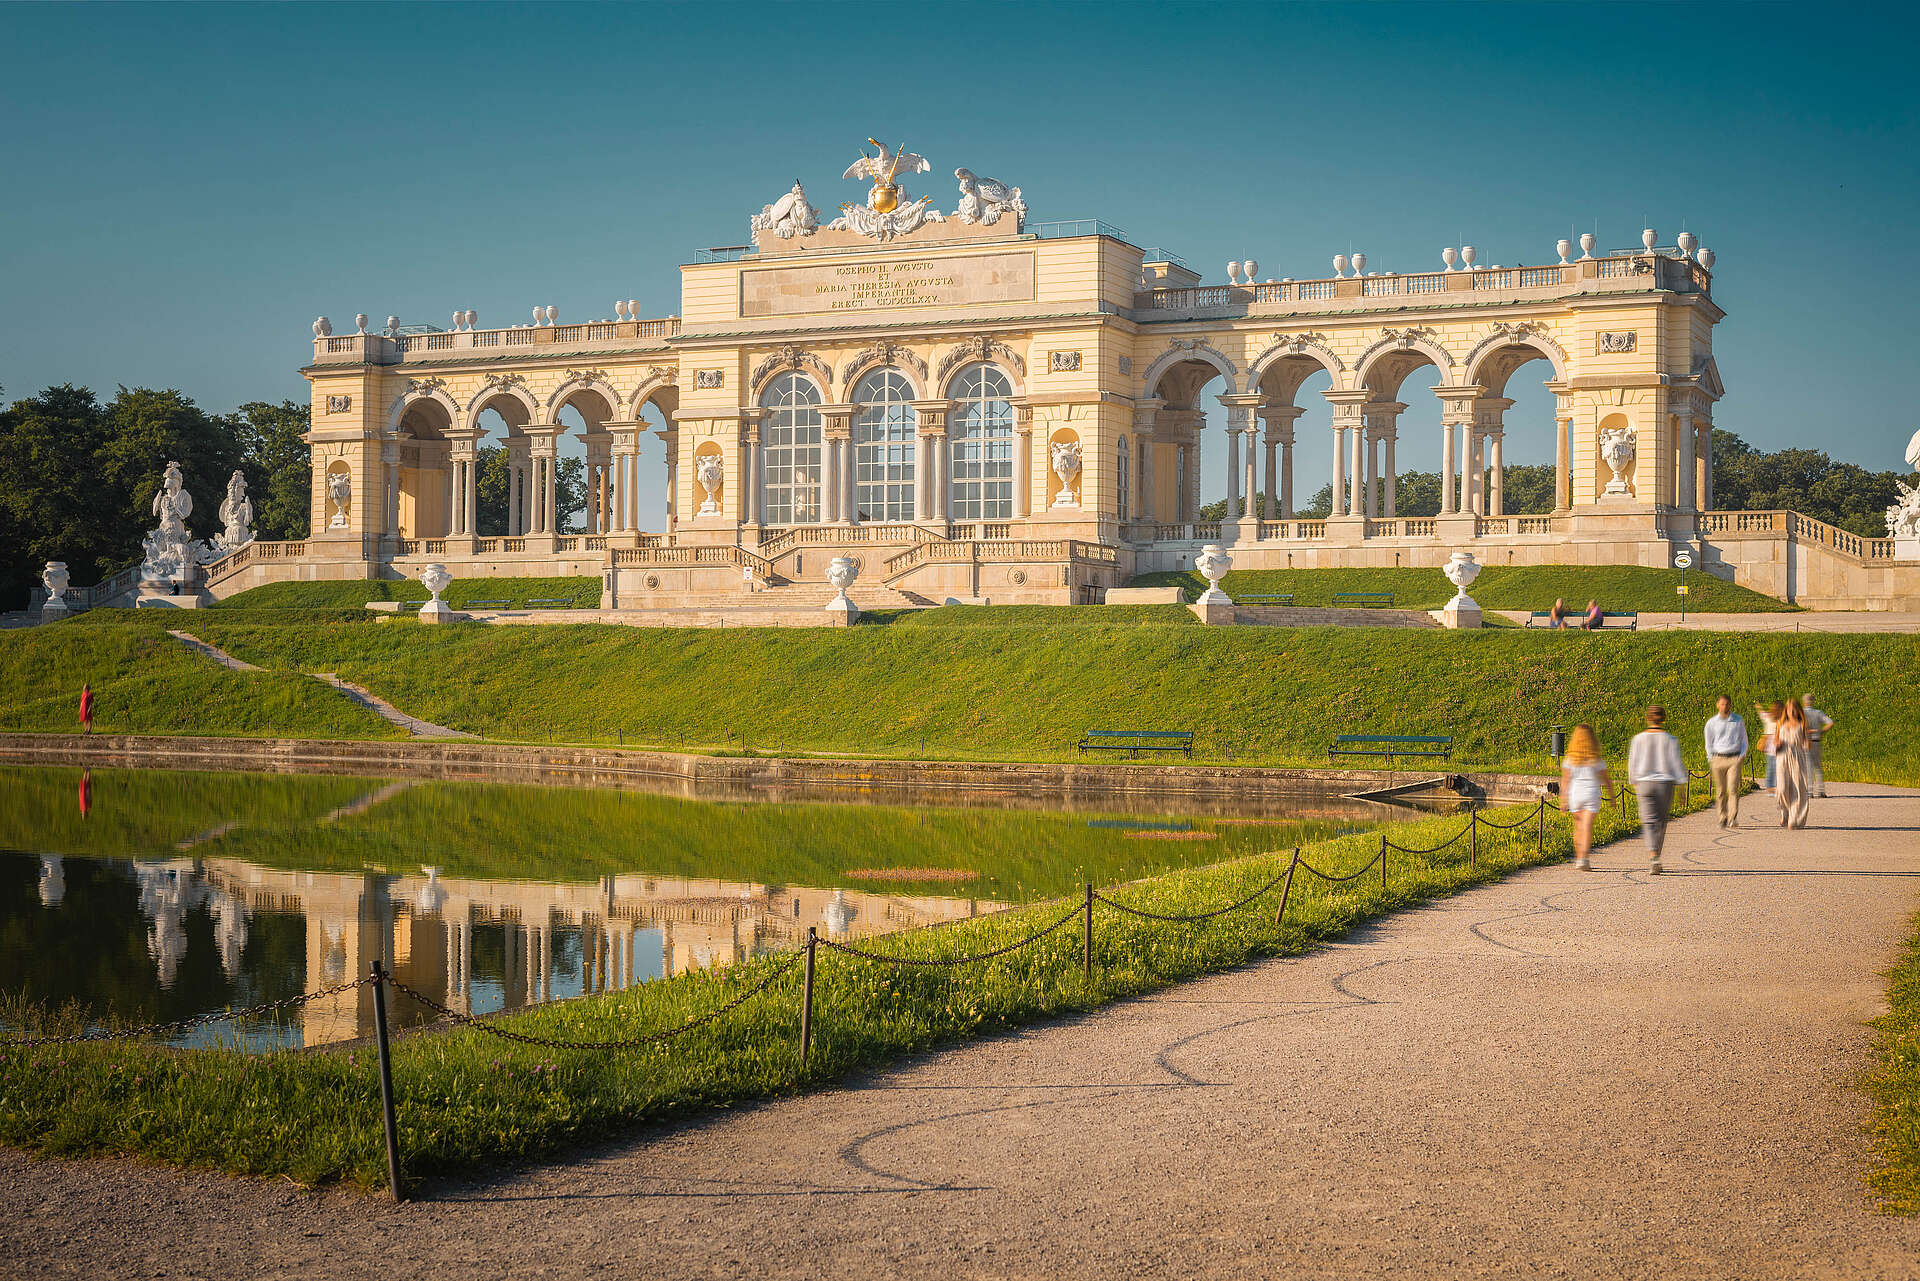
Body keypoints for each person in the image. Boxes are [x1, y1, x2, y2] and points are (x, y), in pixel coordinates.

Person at [1628, 707, 1685, 873]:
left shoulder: (1638, 739)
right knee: (1661, 822)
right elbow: (1676, 763)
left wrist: (1634, 780)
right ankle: (1656, 856)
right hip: (1665, 783)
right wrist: (1681, 785)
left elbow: (1633, 761)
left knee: (1648, 821)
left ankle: (1653, 856)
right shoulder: (1670, 739)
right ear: (1663, 719)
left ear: (1648, 718)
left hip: (1644, 783)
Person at [1561, 723, 1612, 871]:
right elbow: (1606, 780)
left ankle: (1579, 858)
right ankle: (1584, 858)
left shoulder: (1569, 759)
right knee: (1587, 827)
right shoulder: (1596, 759)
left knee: (1578, 828)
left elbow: (1565, 781)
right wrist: (1612, 797)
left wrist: (1563, 801)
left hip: (1575, 795)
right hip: (1591, 795)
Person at [1703, 694, 1749, 827]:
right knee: (1721, 790)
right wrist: (1710, 758)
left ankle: (1732, 817)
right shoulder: (1712, 723)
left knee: (1733, 789)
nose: (1724, 706)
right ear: (1717, 705)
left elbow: (1744, 740)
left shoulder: (1738, 720)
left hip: (1734, 758)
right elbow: (1708, 742)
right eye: (1722, 704)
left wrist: (1742, 755)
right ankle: (1722, 817)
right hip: (1718, 758)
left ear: (1730, 705)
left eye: (1727, 704)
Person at [1775, 699, 1813, 829]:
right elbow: (1776, 740)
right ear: (1786, 710)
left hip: (1797, 756)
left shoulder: (1802, 724)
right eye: (1789, 709)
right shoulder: (1780, 723)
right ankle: (1784, 811)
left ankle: (1794, 818)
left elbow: (1807, 745)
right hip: (1782, 756)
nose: (1791, 711)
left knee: (1798, 788)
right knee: (1782, 787)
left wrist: (1808, 739)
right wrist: (1777, 743)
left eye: (1794, 709)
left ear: (1798, 710)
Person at [1802, 695, 1835, 798]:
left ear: (1804, 701)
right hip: (1817, 740)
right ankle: (1821, 791)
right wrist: (1821, 731)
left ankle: (1809, 791)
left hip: (1806, 741)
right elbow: (1830, 723)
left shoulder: (1802, 713)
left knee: (1808, 767)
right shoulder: (1818, 713)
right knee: (1818, 766)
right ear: (1813, 701)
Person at [1755, 700, 1783, 792]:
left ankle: (1770, 785)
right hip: (1777, 740)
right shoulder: (1782, 719)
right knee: (1777, 764)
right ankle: (1774, 785)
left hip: (1768, 741)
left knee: (1771, 764)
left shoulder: (1769, 717)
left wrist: (1758, 706)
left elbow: (1762, 713)